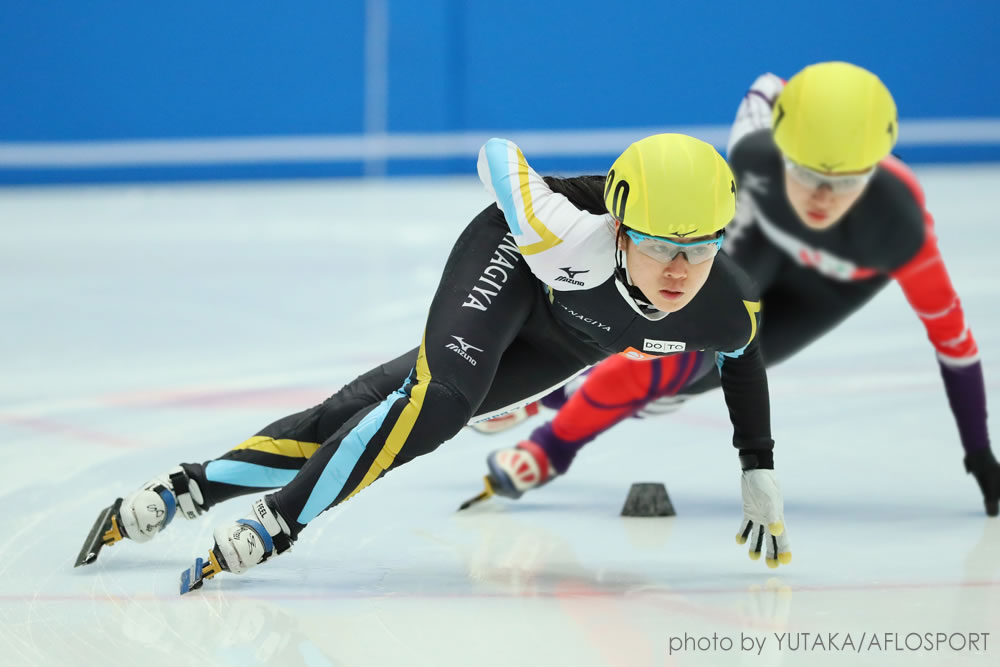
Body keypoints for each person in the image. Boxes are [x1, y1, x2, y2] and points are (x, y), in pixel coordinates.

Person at [76, 132, 794, 591]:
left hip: (565, 339)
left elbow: (743, 355)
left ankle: (192, 486)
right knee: (442, 400)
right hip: (511, 263)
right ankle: (277, 522)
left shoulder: (723, 303)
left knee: (370, 407)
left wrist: (756, 464)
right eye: (662, 246)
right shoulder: (564, 233)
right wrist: (530, 202)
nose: (680, 269)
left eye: (701, 247)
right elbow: (496, 153)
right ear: (620, 223)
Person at [476, 61, 998, 518]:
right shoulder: (756, 152)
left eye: (842, 184)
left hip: (830, 287)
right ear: (783, 146)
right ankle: (549, 450)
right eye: (804, 171)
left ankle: (550, 398)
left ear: (872, 173)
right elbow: (770, 83)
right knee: (676, 347)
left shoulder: (902, 233)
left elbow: (955, 345)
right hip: (766, 236)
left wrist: (979, 454)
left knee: (689, 383)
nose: (819, 197)